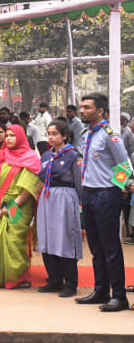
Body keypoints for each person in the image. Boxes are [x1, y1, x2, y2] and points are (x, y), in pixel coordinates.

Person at [75, 94, 130, 312]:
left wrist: (118, 189)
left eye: (87, 107)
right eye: (81, 107)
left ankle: (119, 296)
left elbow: (124, 165)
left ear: (100, 111)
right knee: (96, 246)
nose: (82, 111)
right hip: (89, 194)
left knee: (111, 247)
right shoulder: (85, 134)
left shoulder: (109, 134)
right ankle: (101, 290)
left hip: (106, 194)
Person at [0, 124, 41, 290]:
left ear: (21, 137)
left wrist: (13, 204)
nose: (9, 138)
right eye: (8, 135)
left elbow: (29, 187)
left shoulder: (30, 157)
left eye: (13, 135)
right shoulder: (3, 155)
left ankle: (17, 277)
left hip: (20, 206)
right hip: (1, 203)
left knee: (14, 240)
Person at [36, 120, 82, 298]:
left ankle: (70, 283)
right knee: (47, 236)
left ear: (64, 136)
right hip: (48, 196)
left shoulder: (73, 155)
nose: (50, 137)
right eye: (48, 133)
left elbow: (79, 181)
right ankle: (55, 279)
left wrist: (81, 204)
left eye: (55, 134)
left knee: (65, 237)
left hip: (65, 196)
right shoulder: (47, 155)